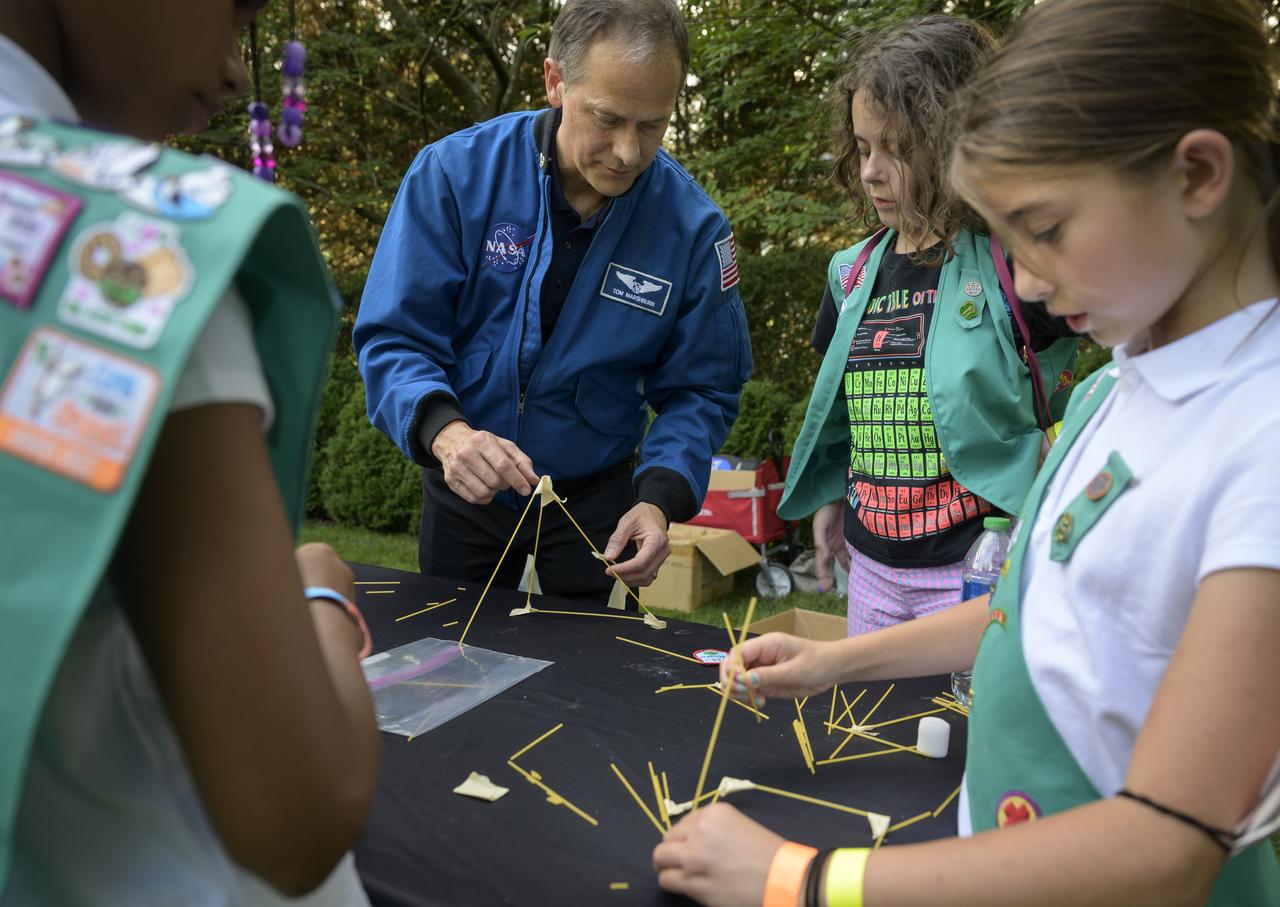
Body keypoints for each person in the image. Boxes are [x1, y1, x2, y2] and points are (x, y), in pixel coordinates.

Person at [652, 0, 1280, 904]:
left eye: (1048, 228)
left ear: (1197, 175)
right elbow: (1021, 611)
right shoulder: (1115, 390)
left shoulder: (1257, 444)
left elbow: (1164, 842)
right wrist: (834, 661)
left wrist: (800, 877)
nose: (1020, 277)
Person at [0, 3, 378, 904]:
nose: (240, 72)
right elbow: (298, 814)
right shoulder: (128, 268)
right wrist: (320, 590)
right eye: (236, 10)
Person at [354, 0, 751, 603]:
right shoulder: (455, 176)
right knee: (447, 664)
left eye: (652, 126)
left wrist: (659, 498)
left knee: (586, 683)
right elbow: (394, 338)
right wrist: (447, 434)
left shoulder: (693, 230)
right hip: (467, 482)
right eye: (607, 118)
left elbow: (702, 388)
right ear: (555, 81)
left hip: (599, 503)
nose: (627, 152)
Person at [787, 16, 1077, 635]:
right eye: (864, 148)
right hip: (870, 564)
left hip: (978, 562)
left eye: (895, 149)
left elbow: (1111, 365)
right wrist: (833, 499)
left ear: (954, 141)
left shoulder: (1011, 266)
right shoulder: (850, 273)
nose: (870, 171)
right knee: (868, 726)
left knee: (967, 726)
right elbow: (847, 409)